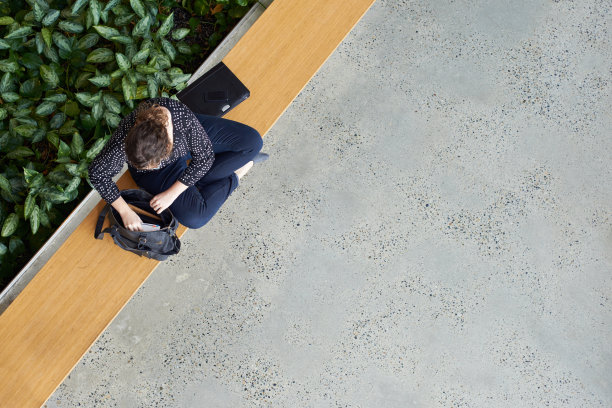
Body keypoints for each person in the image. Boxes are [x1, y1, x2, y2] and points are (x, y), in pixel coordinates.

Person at [88, 96, 268, 231]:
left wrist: (173, 193)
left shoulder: (182, 119)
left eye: (151, 164)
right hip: (161, 172)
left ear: (167, 146)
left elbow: (204, 156)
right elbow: (97, 174)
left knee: (252, 142)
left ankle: (200, 181)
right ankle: (235, 174)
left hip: (187, 142)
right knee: (196, 218)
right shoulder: (123, 143)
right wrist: (124, 210)